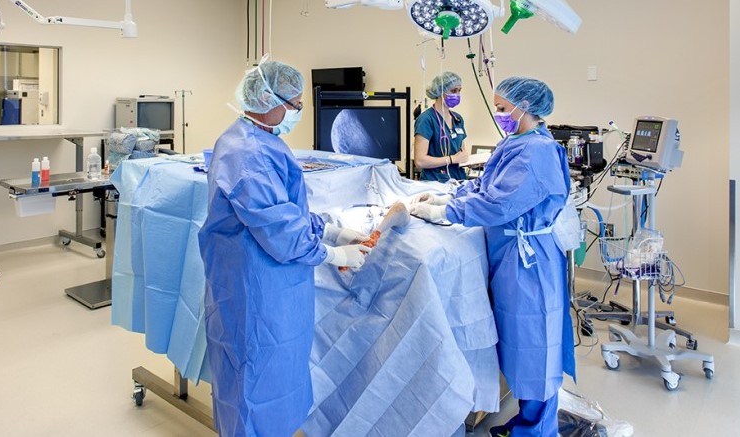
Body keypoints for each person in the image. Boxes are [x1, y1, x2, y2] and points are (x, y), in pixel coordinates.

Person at [198, 58, 371, 437]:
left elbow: (285, 210)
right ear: (266, 98)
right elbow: (279, 229)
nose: (296, 113)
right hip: (255, 289)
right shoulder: (250, 154)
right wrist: (332, 255)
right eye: (293, 106)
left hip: (268, 285)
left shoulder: (255, 141)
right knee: (253, 386)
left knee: (274, 377)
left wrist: (331, 231)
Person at [410, 76, 576, 437]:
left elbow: (499, 202)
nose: (499, 114)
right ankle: (524, 424)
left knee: (535, 347)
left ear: (526, 108)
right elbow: (488, 183)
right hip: (511, 258)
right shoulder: (517, 141)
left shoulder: (538, 151)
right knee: (519, 347)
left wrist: (448, 212)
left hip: (530, 264)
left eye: (503, 108)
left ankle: (536, 431)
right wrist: (449, 196)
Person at [413, 71, 470, 181]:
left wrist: (469, 161)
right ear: (440, 91)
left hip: (458, 181)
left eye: (459, 91)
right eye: (453, 91)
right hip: (435, 183)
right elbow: (420, 161)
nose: (457, 95)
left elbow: (461, 153)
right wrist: (451, 159)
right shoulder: (426, 119)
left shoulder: (457, 119)